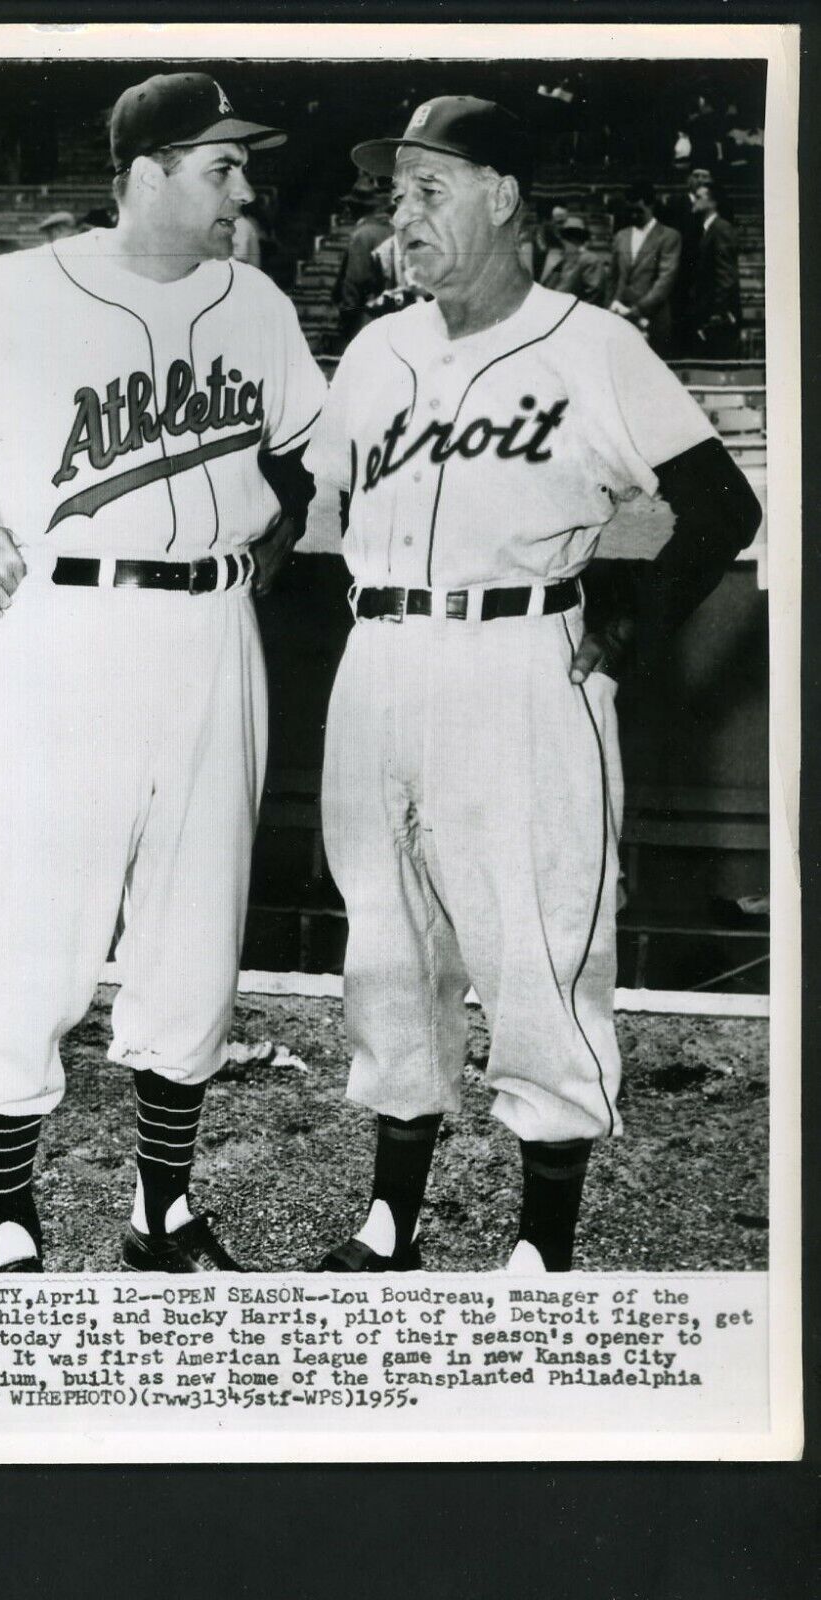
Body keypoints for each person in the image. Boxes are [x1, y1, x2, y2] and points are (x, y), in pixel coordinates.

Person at [0, 71, 328, 1274]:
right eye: (220, 164)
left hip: (212, 633)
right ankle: (9, 1223)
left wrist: (271, 527)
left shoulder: (256, 301)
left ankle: (159, 1214)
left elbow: (293, 456)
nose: (243, 184)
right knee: (33, 920)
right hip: (65, 627)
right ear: (149, 170)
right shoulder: (18, 289)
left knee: (193, 927)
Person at [304, 95, 761, 1275]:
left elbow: (722, 504)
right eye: (391, 197)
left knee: (537, 945)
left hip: (518, 660)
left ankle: (537, 1247)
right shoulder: (373, 349)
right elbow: (318, 492)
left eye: (425, 192)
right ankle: (388, 1220)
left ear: (502, 196)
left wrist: (628, 621)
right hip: (381, 659)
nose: (397, 219)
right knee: (387, 947)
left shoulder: (590, 343)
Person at [608, 183, 682, 355]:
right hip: (619, 317)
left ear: (650, 205)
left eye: (638, 209)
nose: (633, 214)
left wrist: (638, 310)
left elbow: (665, 280)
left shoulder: (669, 236)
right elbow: (613, 277)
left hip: (653, 319)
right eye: (629, 209)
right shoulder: (621, 236)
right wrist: (610, 306)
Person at [331, 175, 394, 343]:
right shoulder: (390, 230)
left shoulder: (362, 235)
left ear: (353, 208)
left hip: (368, 316)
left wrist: (347, 318)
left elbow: (356, 281)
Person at [685, 180, 742, 358]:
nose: (694, 200)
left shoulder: (720, 229)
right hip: (708, 313)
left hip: (716, 318)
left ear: (713, 202)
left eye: (699, 197)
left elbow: (726, 276)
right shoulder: (708, 229)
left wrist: (718, 313)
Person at [541, 214, 606, 304]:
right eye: (566, 236)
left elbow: (593, 293)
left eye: (571, 236)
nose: (566, 241)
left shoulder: (589, 259)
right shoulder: (563, 259)